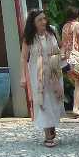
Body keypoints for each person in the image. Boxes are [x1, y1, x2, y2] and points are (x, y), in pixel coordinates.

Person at [21, 9, 63, 147]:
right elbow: (23, 58)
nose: (43, 22)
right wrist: (23, 76)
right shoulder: (29, 37)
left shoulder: (52, 31)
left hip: (54, 70)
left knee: (54, 100)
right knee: (43, 101)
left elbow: (60, 48)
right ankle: (47, 134)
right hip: (37, 72)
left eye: (44, 19)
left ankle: (51, 126)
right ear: (33, 22)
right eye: (39, 20)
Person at [61, 7, 79, 116]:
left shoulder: (65, 26)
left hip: (67, 56)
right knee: (78, 82)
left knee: (77, 80)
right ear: (78, 15)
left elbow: (63, 43)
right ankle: (76, 108)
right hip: (77, 55)